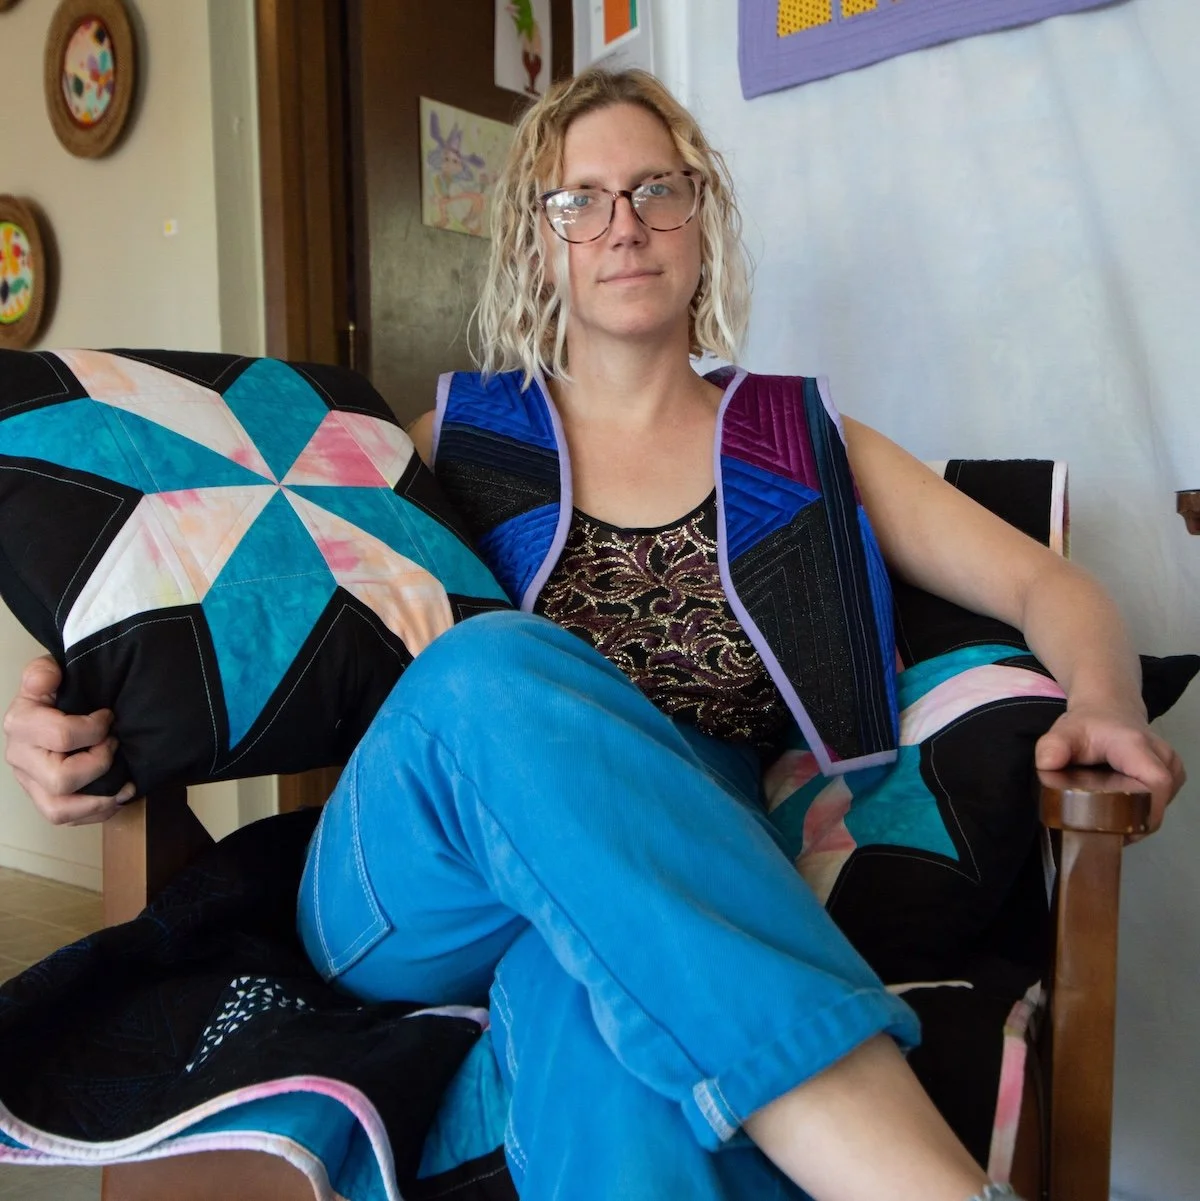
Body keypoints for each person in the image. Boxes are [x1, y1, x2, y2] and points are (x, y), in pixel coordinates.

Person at [3, 67, 1184, 1201]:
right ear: (539, 239)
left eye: (656, 189)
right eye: (581, 200)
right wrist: (63, 708)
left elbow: (1048, 585)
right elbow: (227, 599)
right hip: (414, 869)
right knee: (485, 670)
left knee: (602, 1009)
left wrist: (1103, 702)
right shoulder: (442, 442)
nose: (624, 224)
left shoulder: (807, 441)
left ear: (701, 218)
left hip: (667, 866)